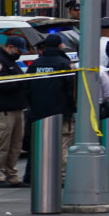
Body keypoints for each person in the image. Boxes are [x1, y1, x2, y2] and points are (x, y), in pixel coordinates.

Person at [26, 34, 75, 182]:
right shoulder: (64, 64)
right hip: (61, 113)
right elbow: (71, 89)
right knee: (62, 145)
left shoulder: (35, 65)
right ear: (60, 46)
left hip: (39, 113)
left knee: (40, 145)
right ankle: (62, 178)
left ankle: (38, 176)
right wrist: (71, 109)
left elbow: (27, 87)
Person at [0, 35, 30, 188]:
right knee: (0, 145)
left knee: (15, 145)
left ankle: (12, 176)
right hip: (2, 110)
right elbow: (1, 84)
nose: (20, 54)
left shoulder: (11, 62)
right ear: (10, 47)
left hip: (16, 108)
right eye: (19, 50)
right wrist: (22, 82)